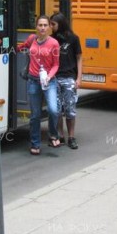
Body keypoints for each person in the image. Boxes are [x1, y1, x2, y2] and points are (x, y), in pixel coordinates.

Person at [19, 15, 60, 155]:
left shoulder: (54, 43)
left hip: (49, 81)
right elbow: (22, 47)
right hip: (33, 81)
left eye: (45, 25)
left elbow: (56, 65)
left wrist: (49, 77)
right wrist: (5, 46)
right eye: (40, 25)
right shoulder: (32, 39)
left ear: (49, 27)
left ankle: (53, 134)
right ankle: (35, 143)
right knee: (35, 115)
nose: (42, 28)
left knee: (53, 110)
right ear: (36, 27)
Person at [50, 12, 82, 150]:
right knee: (56, 110)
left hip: (69, 77)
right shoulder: (51, 39)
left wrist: (79, 78)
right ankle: (60, 136)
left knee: (70, 110)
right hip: (54, 78)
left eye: (53, 24)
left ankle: (71, 137)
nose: (51, 27)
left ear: (60, 24)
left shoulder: (73, 39)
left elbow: (79, 58)